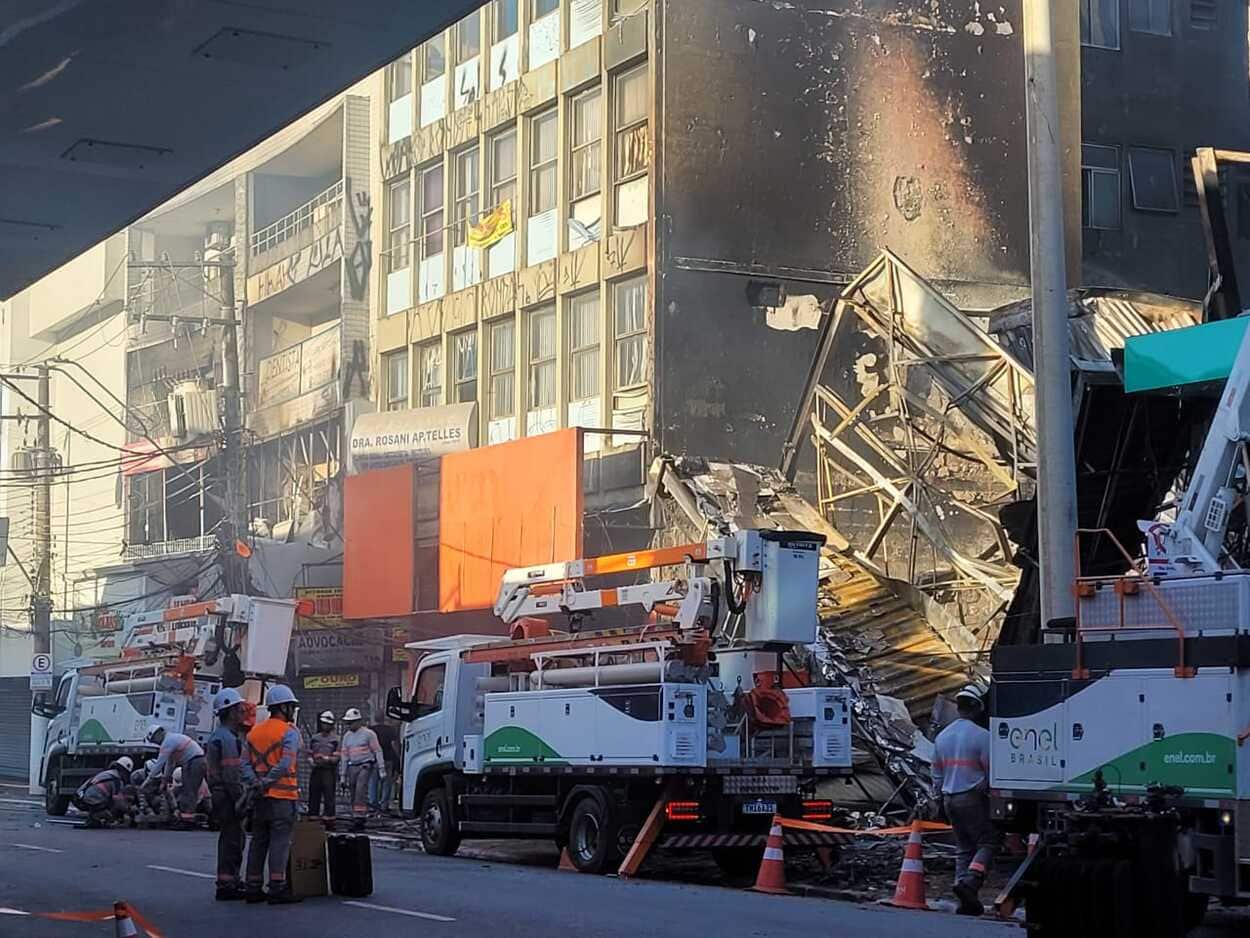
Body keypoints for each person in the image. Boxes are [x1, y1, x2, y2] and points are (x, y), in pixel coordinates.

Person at [931, 684, 998, 916]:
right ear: (978, 708)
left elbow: (936, 774)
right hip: (972, 798)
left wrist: (939, 798)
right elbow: (992, 773)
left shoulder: (942, 737)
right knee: (988, 842)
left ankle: (965, 898)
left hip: (949, 798)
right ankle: (971, 881)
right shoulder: (983, 736)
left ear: (958, 708)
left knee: (963, 848)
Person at [245, 684, 303, 904]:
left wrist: (256, 783)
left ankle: (252, 887)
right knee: (279, 842)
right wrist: (268, 781)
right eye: (291, 706)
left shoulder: (254, 732)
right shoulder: (289, 732)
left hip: (260, 798)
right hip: (282, 797)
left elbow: (244, 764)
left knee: (258, 840)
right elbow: (286, 763)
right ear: (284, 707)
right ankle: (277, 887)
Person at [206, 688, 255, 901]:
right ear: (230, 712)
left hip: (220, 793)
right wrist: (241, 799)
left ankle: (230, 879)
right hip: (227, 795)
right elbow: (231, 774)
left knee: (231, 838)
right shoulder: (227, 739)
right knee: (233, 840)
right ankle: (227, 884)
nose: (243, 712)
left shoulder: (222, 736)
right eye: (239, 709)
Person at [143, 724, 206, 827]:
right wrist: (165, 780)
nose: (157, 743)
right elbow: (170, 763)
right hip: (194, 762)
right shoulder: (173, 739)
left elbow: (160, 763)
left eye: (155, 741)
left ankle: (187, 820)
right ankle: (186, 816)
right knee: (188, 790)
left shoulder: (168, 741)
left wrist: (147, 781)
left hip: (194, 762)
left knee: (189, 790)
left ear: (158, 734)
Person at [339, 708, 384, 832]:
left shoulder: (369, 734)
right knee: (353, 790)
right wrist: (342, 775)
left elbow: (377, 751)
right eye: (348, 723)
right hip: (352, 766)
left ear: (359, 721)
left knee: (360, 790)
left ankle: (360, 818)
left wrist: (381, 769)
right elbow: (344, 756)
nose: (349, 725)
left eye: (351, 722)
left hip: (365, 765)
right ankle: (356, 815)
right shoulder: (347, 737)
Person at [72, 757, 134, 828]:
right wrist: (128, 810)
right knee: (111, 809)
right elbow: (117, 800)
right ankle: (96, 817)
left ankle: (94, 816)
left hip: (78, 797)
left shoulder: (107, 773)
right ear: (124, 771)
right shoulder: (117, 780)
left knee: (108, 800)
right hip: (86, 801)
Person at [307, 711, 340, 828]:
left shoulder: (335, 740)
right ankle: (313, 817)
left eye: (327, 724)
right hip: (316, 770)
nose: (325, 726)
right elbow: (309, 753)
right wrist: (311, 761)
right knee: (314, 793)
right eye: (323, 723)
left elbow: (337, 757)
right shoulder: (314, 738)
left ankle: (329, 819)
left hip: (328, 770)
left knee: (329, 795)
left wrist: (327, 759)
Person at [368, 720, 400, 816]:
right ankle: (384, 805)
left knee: (373, 782)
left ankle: (373, 804)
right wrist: (397, 759)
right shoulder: (390, 730)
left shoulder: (371, 730)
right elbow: (395, 744)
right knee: (387, 783)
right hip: (388, 758)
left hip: (374, 759)